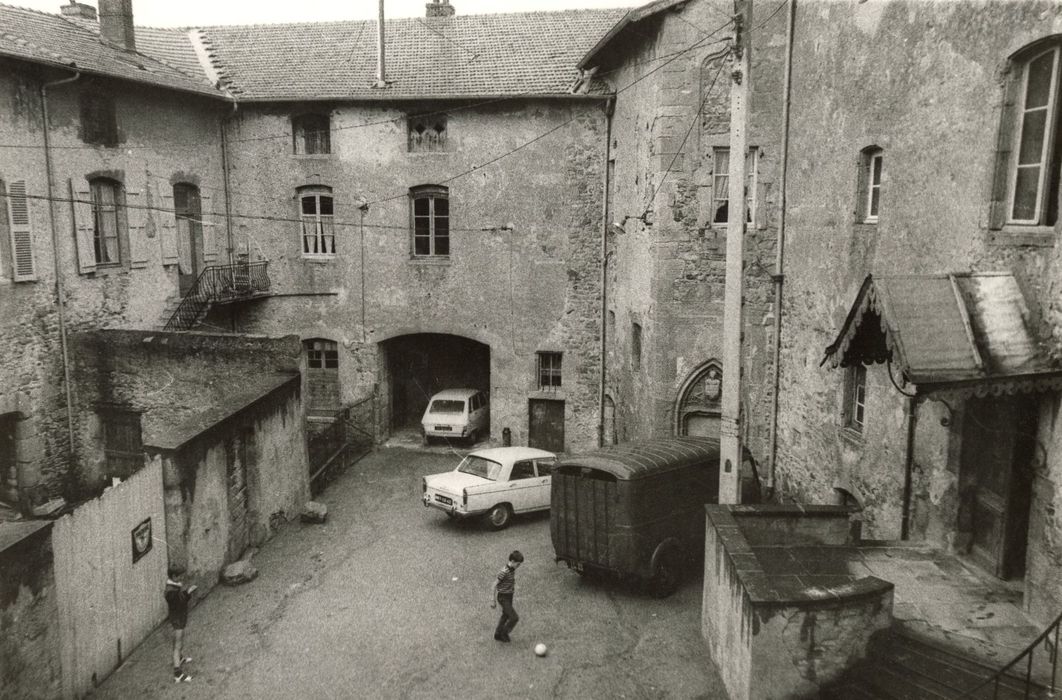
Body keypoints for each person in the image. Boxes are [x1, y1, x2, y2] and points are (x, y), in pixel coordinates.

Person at [164, 573, 197, 683]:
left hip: (179, 618)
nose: (181, 578)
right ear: (173, 577)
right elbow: (179, 602)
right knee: (178, 644)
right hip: (177, 620)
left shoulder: (173, 586)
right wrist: (188, 592)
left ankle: (180, 658)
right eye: (179, 576)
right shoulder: (170, 592)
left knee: (179, 642)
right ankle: (177, 674)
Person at [489, 550, 524, 642]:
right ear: (512, 561)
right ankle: (504, 633)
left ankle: (497, 633)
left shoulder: (512, 569)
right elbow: (493, 585)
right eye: (518, 564)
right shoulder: (503, 572)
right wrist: (492, 600)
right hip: (503, 597)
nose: (518, 566)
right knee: (514, 617)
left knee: (505, 615)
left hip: (509, 596)